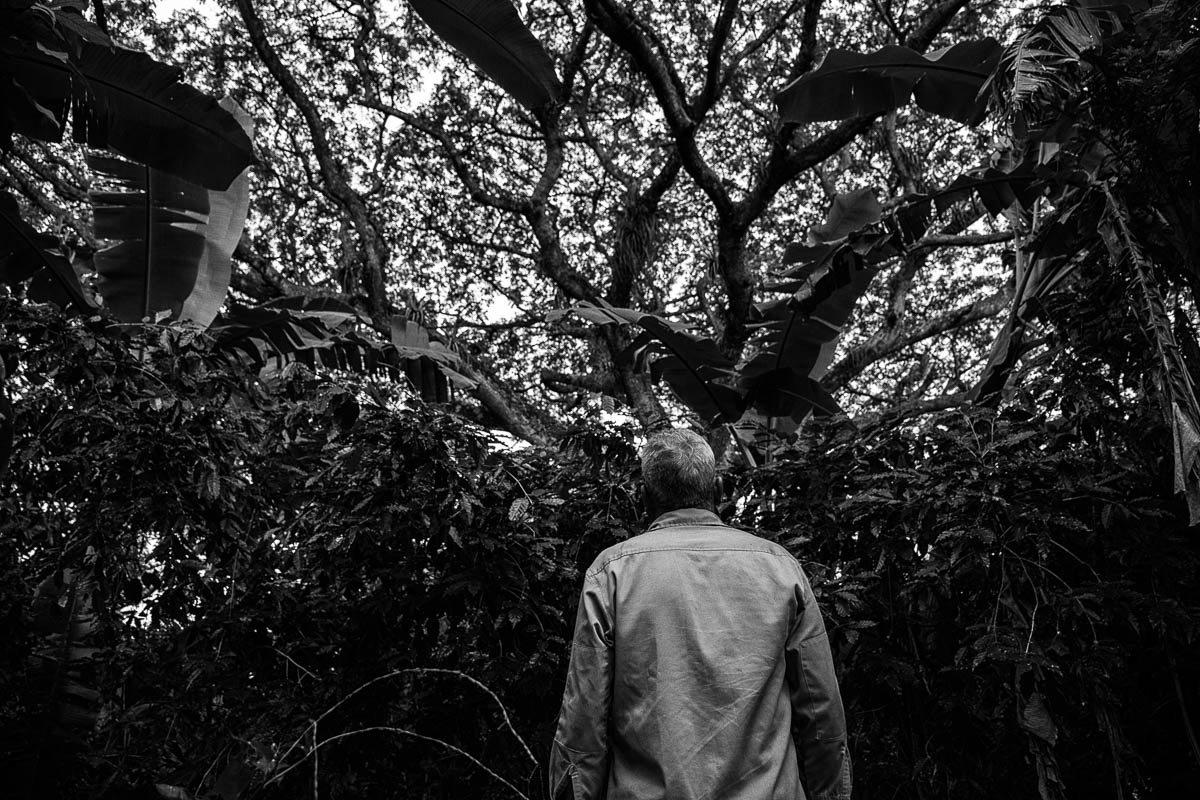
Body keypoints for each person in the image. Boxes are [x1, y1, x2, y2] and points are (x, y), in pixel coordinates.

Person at [549, 428, 852, 800]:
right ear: (720, 491)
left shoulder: (612, 573)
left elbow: (584, 723)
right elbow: (821, 715)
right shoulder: (780, 569)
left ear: (644, 497)